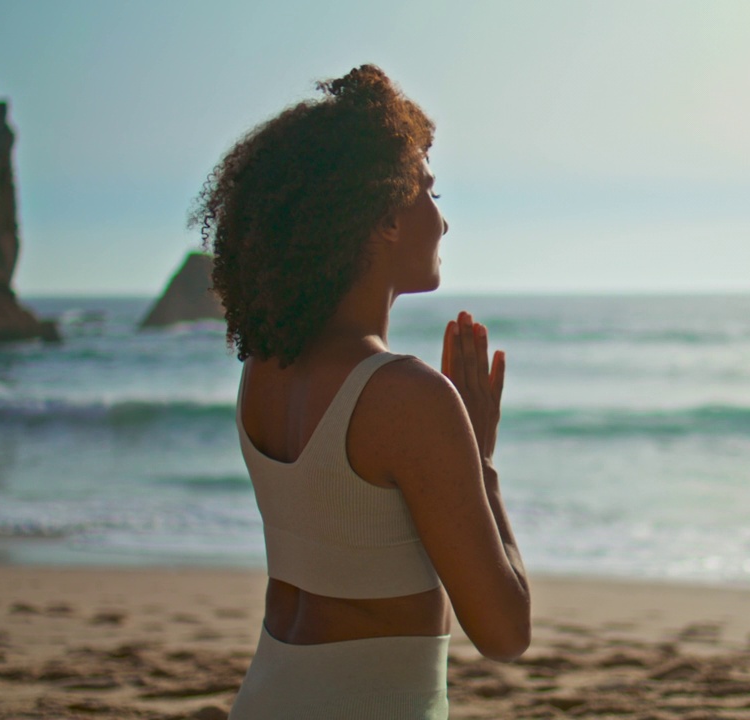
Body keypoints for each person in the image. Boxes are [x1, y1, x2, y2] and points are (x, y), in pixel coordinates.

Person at [192, 64, 530, 719]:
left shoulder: (263, 366)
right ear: (385, 219)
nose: (443, 221)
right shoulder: (407, 398)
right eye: (429, 193)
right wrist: (481, 463)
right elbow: (505, 633)